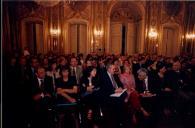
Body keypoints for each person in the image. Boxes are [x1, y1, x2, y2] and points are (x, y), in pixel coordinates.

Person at [99, 63, 127, 128]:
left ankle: (121, 119)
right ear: (108, 69)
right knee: (119, 100)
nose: (115, 70)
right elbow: (103, 90)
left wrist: (120, 88)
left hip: (117, 93)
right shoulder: (103, 76)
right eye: (113, 69)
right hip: (109, 95)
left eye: (115, 69)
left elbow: (120, 84)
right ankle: (119, 120)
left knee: (124, 94)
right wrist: (114, 91)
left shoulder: (115, 75)